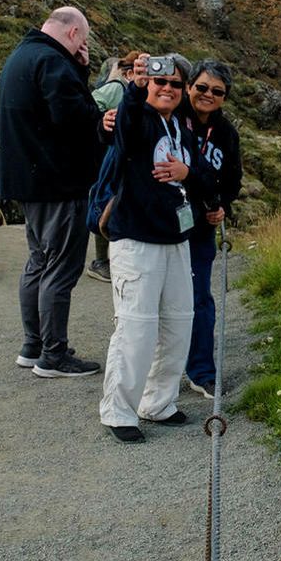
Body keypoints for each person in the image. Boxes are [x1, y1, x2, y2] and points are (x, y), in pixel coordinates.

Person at [97, 51, 214, 443]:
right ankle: (119, 411)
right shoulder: (135, 118)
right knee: (136, 327)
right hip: (137, 239)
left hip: (175, 238)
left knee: (179, 322)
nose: (166, 88)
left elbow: (202, 177)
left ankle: (158, 402)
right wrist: (133, 88)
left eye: (175, 84)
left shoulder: (180, 127)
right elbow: (124, 132)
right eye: (159, 81)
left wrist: (187, 174)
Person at [0, 7, 107, 378]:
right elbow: (76, 119)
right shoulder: (53, 62)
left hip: (28, 181)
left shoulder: (22, 55)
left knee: (38, 262)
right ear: (75, 33)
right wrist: (80, 76)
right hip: (58, 181)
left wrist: (79, 69)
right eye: (84, 40)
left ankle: (34, 346)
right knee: (60, 267)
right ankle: (54, 355)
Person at [182, 58, 242, 400]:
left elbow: (232, 180)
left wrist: (221, 207)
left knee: (200, 299)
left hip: (201, 228)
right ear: (190, 86)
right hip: (161, 225)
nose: (208, 95)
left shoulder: (226, 133)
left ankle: (201, 371)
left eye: (216, 91)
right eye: (202, 87)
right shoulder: (172, 119)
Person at [86, 54, 138, 283]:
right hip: (104, 152)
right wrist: (103, 120)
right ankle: (101, 261)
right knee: (106, 200)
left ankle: (106, 260)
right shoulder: (117, 88)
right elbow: (92, 104)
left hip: (110, 151)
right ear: (129, 73)